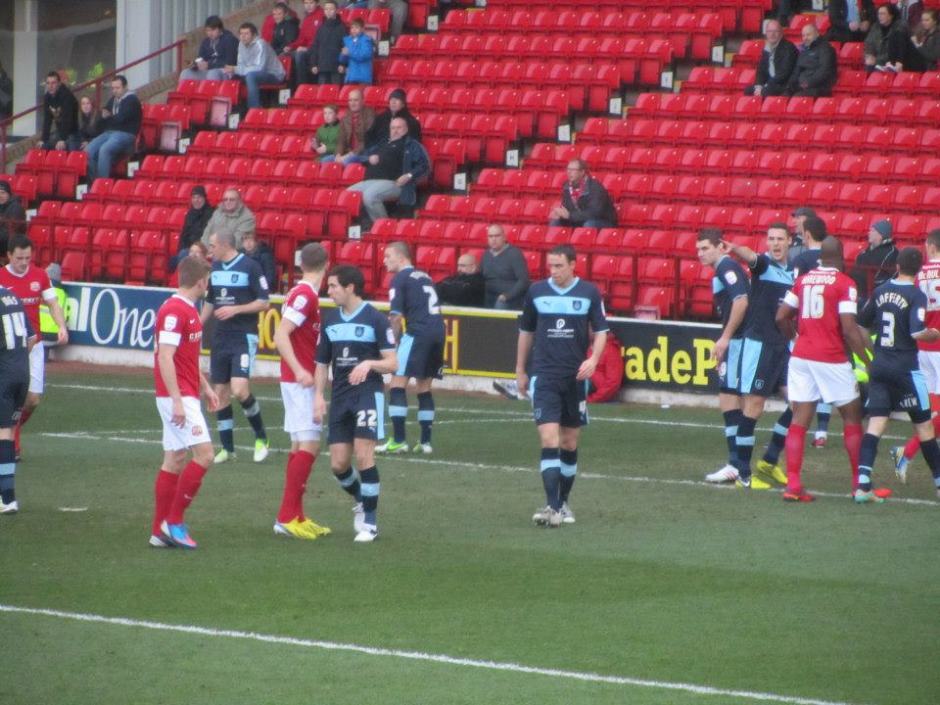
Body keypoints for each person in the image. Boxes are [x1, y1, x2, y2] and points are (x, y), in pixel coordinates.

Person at [516, 244, 609, 527]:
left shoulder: (589, 293)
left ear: (572, 265)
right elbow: (526, 331)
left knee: (569, 442)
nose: (553, 271)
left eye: (559, 266)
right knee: (549, 439)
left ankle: (563, 502)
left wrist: (593, 359)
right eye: (551, 266)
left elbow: (602, 331)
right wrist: (520, 369)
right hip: (544, 376)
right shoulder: (536, 292)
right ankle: (552, 507)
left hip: (575, 379)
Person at [776, 237, 871, 502]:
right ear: (840, 256)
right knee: (852, 416)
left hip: (801, 356)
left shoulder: (803, 280)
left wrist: (795, 338)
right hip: (831, 356)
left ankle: (793, 485)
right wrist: (868, 361)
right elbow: (849, 329)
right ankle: (859, 484)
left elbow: (781, 316)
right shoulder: (845, 283)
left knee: (799, 419)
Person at [314, 264, 397, 542]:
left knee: (363, 456)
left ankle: (370, 524)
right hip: (340, 396)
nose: (329, 291)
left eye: (333, 286)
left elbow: (393, 363)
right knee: (338, 464)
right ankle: (362, 498)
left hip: (367, 394)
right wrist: (318, 396)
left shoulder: (375, 319)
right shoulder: (330, 321)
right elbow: (322, 363)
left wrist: (369, 364)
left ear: (350, 288)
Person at [855, 247, 940, 503]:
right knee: (924, 426)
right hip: (906, 370)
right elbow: (916, 332)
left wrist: (873, 355)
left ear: (898, 266)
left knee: (876, 424)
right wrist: (933, 334)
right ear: (918, 269)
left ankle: (862, 485)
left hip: (881, 366)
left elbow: (861, 326)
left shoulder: (880, 291)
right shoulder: (916, 295)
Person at [716, 225, 795, 489]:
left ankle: (769, 460)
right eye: (771, 239)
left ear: (790, 241)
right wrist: (735, 249)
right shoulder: (763, 266)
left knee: (799, 403)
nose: (775, 243)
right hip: (760, 345)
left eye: (780, 239)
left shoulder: (793, 272)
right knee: (754, 406)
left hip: (783, 346)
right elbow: (751, 257)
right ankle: (743, 474)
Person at [150, 255, 220, 549]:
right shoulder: (173, 311)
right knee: (205, 455)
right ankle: (173, 522)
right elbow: (165, 357)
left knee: (175, 458)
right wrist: (177, 400)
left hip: (185, 392)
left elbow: (185, 358)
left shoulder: (189, 309)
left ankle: (158, 531)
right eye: (207, 281)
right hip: (176, 396)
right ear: (201, 282)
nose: (208, 285)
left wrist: (205, 386)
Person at [272, 242, 332, 539]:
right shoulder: (305, 295)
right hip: (300, 381)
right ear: (327, 265)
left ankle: (295, 515)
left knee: (300, 445)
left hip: (297, 379)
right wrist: (299, 369)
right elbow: (280, 334)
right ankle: (286, 517)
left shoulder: (304, 293)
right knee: (309, 445)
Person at [201, 231, 271, 464]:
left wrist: (236, 309)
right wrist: (197, 324)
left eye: (212, 245)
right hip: (220, 336)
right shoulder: (215, 268)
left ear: (224, 244)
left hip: (243, 335)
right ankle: (227, 449)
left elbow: (264, 302)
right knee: (220, 392)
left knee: (240, 390)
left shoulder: (251, 266)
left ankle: (261, 438)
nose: (210, 250)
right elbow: (210, 300)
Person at [0, 235, 69, 460]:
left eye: (27, 258)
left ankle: (9, 432)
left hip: (34, 346)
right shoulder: (1, 278)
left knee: (32, 400)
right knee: (11, 396)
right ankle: (12, 443)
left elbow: (53, 303)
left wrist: (61, 326)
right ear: (9, 256)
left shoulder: (40, 276)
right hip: (9, 349)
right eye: (19, 258)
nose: (23, 263)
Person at [377, 242, 446, 454]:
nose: (384, 261)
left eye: (388, 256)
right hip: (438, 331)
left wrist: (392, 343)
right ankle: (425, 443)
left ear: (401, 257)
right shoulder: (424, 276)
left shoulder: (399, 278)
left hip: (418, 333)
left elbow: (396, 317)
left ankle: (399, 441)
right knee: (424, 387)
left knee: (397, 384)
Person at [697, 229, 749, 485]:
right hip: (738, 339)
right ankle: (740, 461)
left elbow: (741, 300)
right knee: (731, 395)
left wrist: (726, 337)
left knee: (729, 396)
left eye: (705, 248)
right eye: (698, 249)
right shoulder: (723, 268)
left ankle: (737, 463)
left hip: (738, 340)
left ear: (720, 247)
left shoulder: (726, 267)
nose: (700, 254)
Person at [893, 229, 940, 479]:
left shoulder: (918, 274)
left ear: (931, 247)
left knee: (933, 411)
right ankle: (907, 451)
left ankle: (906, 453)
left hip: (923, 347)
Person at [790, 215, 837, 449]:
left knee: (802, 386)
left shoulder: (802, 259)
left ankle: (796, 430)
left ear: (806, 234)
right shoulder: (834, 259)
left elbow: (794, 293)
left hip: (805, 330)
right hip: (829, 329)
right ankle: (822, 432)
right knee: (825, 383)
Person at [346, 116, 430, 229]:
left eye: (399, 128)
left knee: (370, 196)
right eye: (393, 128)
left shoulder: (411, 144)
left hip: (394, 182)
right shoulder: (383, 142)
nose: (395, 130)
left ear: (406, 129)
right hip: (370, 181)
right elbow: (362, 156)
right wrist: (368, 158)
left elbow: (424, 165)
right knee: (348, 194)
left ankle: (385, 228)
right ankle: (359, 227)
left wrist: (409, 175)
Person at [0, 279, 34, 515]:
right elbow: (31, 338)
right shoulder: (13, 298)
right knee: (9, 433)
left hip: (3, 375)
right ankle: (6, 495)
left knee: (3, 433)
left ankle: (7, 498)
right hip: (22, 373)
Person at [85, 75, 141, 183]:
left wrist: (109, 116)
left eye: (117, 88)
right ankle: (94, 182)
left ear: (125, 87)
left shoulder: (132, 100)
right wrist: (106, 116)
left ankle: (102, 184)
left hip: (126, 134)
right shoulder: (113, 99)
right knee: (88, 150)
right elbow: (104, 114)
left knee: (104, 149)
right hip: (110, 132)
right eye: (113, 88)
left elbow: (121, 119)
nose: (114, 91)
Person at [227, 22, 286, 110]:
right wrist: (234, 70)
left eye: (246, 34)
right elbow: (241, 65)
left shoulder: (260, 44)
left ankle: (254, 110)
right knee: (233, 77)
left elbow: (259, 68)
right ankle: (235, 110)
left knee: (251, 76)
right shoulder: (241, 44)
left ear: (254, 35)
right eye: (241, 34)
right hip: (254, 73)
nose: (243, 36)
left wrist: (236, 69)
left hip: (274, 74)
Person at [548, 159, 617, 229]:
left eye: (573, 170)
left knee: (589, 224)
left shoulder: (595, 187)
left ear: (582, 172)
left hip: (602, 220)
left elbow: (594, 213)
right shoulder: (567, 186)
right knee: (555, 221)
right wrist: (559, 213)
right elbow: (566, 207)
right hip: (578, 219)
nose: (569, 172)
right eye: (568, 169)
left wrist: (570, 216)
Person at [297, 1, 347, 86]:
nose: (328, 11)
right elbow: (316, 46)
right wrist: (313, 64)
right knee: (322, 91)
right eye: (326, 9)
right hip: (322, 67)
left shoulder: (342, 28)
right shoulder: (321, 28)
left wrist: (343, 64)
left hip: (336, 68)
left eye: (331, 9)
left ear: (336, 10)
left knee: (335, 91)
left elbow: (345, 48)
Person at [850, 219, 898, 306]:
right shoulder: (865, 252)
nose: (869, 233)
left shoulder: (892, 253)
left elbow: (890, 277)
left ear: (880, 235)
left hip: (878, 296)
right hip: (860, 293)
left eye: (872, 231)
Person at [745, 20, 798, 97]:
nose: (772, 34)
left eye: (775, 31)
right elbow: (761, 70)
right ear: (766, 33)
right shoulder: (767, 48)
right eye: (770, 31)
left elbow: (784, 73)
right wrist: (759, 86)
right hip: (770, 85)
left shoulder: (788, 48)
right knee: (748, 90)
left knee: (766, 91)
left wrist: (767, 85)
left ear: (781, 33)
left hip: (784, 85)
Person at [481, 224, 529, 309]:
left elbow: (523, 280)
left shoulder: (514, 254)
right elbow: (481, 277)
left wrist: (508, 296)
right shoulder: (486, 254)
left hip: (509, 299)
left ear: (504, 237)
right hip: (488, 296)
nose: (493, 239)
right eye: (490, 236)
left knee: (500, 304)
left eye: (497, 236)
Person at [179, 16, 239, 81]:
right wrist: (195, 64)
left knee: (213, 74)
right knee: (185, 73)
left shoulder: (230, 40)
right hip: (208, 70)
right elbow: (200, 57)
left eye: (213, 30)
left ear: (220, 29)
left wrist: (209, 65)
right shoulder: (206, 42)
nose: (210, 33)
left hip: (226, 71)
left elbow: (231, 63)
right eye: (207, 30)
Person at [788, 23, 838, 97]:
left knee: (797, 98)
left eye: (808, 35)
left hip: (819, 88)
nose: (805, 38)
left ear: (817, 34)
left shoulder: (825, 49)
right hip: (801, 86)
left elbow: (824, 71)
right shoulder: (804, 50)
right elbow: (797, 70)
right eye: (803, 35)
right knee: (783, 95)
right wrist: (791, 84)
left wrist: (807, 83)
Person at [333, 89, 376, 165]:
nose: (352, 103)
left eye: (356, 100)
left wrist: (350, 154)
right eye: (350, 100)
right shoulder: (346, 117)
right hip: (348, 152)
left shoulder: (370, 114)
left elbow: (367, 140)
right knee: (325, 160)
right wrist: (338, 154)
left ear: (362, 101)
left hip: (364, 153)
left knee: (346, 161)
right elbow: (341, 139)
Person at [864, 3, 911, 71]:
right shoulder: (875, 27)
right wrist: (869, 55)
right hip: (876, 62)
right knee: (868, 66)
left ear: (891, 16)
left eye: (883, 14)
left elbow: (896, 50)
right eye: (879, 14)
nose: (880, 16)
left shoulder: (899, 28)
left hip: (892, 63)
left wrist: (877, 60)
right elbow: (869, 43)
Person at [40, 71, 79, 151]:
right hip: (60, 131)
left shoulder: (66, 96)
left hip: (73, 132)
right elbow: (47, 120)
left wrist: (62, 139)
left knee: (67, 149)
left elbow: (67, 119)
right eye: (48, 83)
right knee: (44, 146)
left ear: (59, 83)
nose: (50, 86)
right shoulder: (47, 97)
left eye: (53, 83)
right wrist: (43, 139)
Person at [175, 185, 214, 262]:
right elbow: (184, 234)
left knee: (183, 255)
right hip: (189, 248)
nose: (196, 200)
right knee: (173, 260)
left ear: (204, 198)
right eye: (194, 197)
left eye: (199, 197)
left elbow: (208, 236)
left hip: (203, 248)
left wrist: (194, 248)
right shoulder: (190, 214)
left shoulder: (211, 213)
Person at [340, 19, 375, 85]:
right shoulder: (348, 40)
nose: (354, 30)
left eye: (356, 27)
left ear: (362, 29)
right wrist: (343, 55)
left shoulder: (366, 40)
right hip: (351, 77)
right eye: (352, 27)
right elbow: (343, 59)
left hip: (363, 78)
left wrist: (350, 53)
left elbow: (364, 56)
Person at [0, 182, 26, 253]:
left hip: (12, 241)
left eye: (3, 193)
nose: (0, 196)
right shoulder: (2, 206)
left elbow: (11, 231)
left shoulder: (16, 208)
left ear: (9, 194)